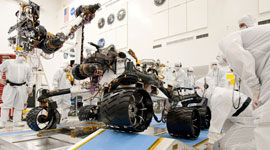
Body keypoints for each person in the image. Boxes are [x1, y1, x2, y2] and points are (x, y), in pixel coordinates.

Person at [219, 20, 270, 149]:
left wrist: (255, 89)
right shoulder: (255, 39)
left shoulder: (226, 42)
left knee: (265, 120)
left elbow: (241, 59)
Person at [196, 77, 256, 150]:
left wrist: (211, 142)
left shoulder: (219, 96)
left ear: (205, 86)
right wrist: (212, 141)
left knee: (227, 145)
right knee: (223, 141)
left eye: (198, 87)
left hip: (249, 119)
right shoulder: (216, 94)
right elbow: (223, 122)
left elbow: (216, 121)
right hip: (240, 117)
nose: (197, 90)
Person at [0, 52, 33, 128]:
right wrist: (0, 79)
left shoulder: (26, 66)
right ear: (17, 54)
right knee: (6, 104)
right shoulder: (9, 62)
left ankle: (17, 121)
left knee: (19, 105)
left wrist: (30, 86)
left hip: (22, 87)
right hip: (10, 86)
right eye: (21, 54)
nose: (22, 56)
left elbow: (30, 76)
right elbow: (0, 69)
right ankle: (2, 122)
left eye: (24, 54)